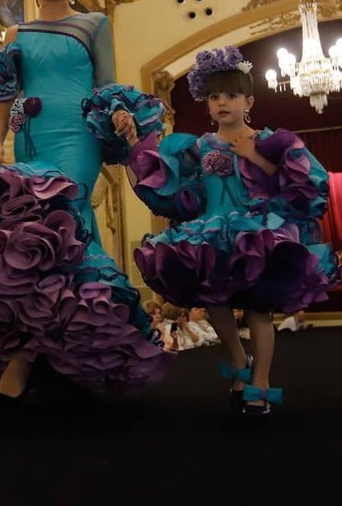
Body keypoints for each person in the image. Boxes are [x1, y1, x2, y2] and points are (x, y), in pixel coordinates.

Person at [0, 0, 172, 401]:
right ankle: (57, 347)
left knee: (68, 216)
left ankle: (34, 356)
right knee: (32, 231)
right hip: (30, 135)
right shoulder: (16, 33)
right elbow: (4, 90)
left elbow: (105, 81)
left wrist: (120, 111)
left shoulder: (93, 23)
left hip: (78, 133)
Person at [126, 45, 331, 417]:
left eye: (232, 95)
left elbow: (296, 182)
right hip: (212, 228)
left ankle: (261, 383)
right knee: (214, 301)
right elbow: (174, 182)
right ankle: (239, 361)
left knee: (258, 309)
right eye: (215, 96)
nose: (223, 102)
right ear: (207, 104)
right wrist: (132, 144)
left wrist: (251, 155)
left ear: (248, 100)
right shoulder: (199, 145)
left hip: (255, 228)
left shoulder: (267, 140)